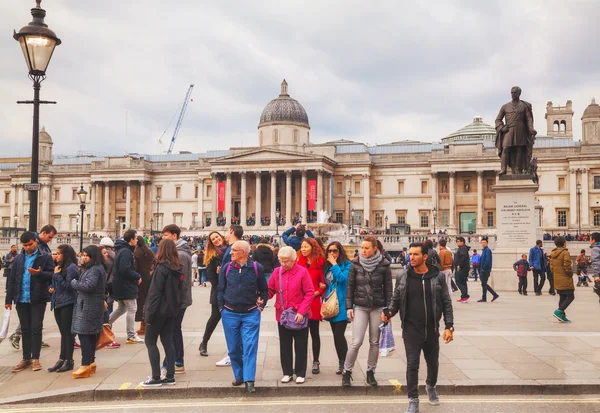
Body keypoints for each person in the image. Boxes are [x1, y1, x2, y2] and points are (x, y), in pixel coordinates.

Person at [383, 242, 454, 413]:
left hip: (431, 328)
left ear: (424, 257)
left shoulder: (437, 277)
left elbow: (446, 301)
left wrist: (449, 326)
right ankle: (413, 399)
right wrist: (390, 312)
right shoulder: (403, 276)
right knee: (412, 364)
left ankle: (431, 386)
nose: (411, 257)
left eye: (416, 254)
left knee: (433, 363)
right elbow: (396, 299)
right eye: (410, 254)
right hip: (411, 329)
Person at [218, 240, 268, 393]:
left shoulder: (256, 268)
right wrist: (221, 308)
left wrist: (261, 305)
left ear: (244, 252)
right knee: (233, 349)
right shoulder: (226, 268)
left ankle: (249, 380)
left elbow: (264, 291)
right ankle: (239, 375)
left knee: (250, 347)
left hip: (250, 313)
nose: (231, 252)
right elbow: (220, 289)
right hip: (229, 313)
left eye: (234, 250)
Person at [343, 236, 392, 387]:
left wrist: (388, 310)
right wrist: (349, 307)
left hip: (378, 307)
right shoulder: (355, 264)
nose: (363, 251)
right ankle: (347, 372)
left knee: (374, 341)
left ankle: (371, 372)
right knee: (356, 341)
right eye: (362, 247)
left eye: (366, 248)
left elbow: (389, 289)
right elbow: (350, 286)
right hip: (360, 306)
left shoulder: (384, 265)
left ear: (374, 248)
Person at [5, 232, 54, 373]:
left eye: (30, 244)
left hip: (37, 298)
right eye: (25, 245)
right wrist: (9, 299)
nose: (28, 248)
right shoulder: (19, 258)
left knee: (36, 328)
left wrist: (39, 274)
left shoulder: (44, 257)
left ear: (35, 241)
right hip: (21, 298)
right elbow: (12, 279)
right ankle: (26, 358)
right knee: (25, 329)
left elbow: (52, 275)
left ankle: (35, 358)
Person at [267, 246, 314, 385]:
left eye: (286, 261)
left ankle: (300, 373)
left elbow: (310, 292)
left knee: (301, 345)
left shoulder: (302, 272)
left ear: (294, 260)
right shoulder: (277, 272)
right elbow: (270, 290)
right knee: (284, 345)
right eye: (281, 261)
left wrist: (302, 311)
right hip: (282, 315)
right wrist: (262, 299)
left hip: (299, 314)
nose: (283, 264)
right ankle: (287, 372)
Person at [140, 239, 184, 387]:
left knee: (150, 341)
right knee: (167, 341)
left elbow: (154, 293)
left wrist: (148, 313)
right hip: (171, 310)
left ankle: (156, 377)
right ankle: (170, 376)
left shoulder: (161, 268)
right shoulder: (178, 268)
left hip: (158, 310)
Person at [161, 224, 192, 374]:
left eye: (166, 235)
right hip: (177, 299)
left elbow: (180, 281)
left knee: (172, 331)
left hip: (178, 300)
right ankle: (174, 361)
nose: (163, 238)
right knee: (173, 330)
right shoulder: (179, 253)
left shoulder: (180, 255)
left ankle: (176, 361)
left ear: (174, 236)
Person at [71, 245, 106, 378]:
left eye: (87, 255)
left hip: (88, 306)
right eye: (83, 255)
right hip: (91, 305)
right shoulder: (95, 268)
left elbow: (88, 286)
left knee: (84, 335)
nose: (84, 258)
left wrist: (74, 283)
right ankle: (91, 363)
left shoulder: (94, 270)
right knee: (91, 335)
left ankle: (85, 365)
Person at [296, 238, 326, 375]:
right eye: (302, 247)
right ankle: (299, 363)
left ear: (312, 247)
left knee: (314, 333)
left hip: (313, 302)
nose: (303, 249)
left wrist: (317, 292)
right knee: (300, 335)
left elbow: (324, 284)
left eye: (306, 246)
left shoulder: (319, 263)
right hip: (300, 302)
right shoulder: (297, 263)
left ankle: (316, 361)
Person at [48, 244, 79, 373]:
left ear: (65, 255)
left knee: (68, 333)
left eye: (58, 253)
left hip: (68, 303)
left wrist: (56, 276)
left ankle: (69, 360)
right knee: (63, 333)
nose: (56, 256)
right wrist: (51, 286)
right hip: (58, 302)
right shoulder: (60, 267)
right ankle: (62, 359)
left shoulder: (71, 268)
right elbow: (57, 284)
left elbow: (69, 286)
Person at [109, 229, 144, 344]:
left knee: (122, 308)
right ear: (131, 239)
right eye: (136, 237)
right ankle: (131, 335)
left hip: (120, 284)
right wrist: (137, 276)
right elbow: (125, 269)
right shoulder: (126, 252)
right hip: (125, 285)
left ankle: (104, 325)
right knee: (132, 308)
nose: (137, 239)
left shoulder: (122, 250)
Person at [323, 241, 351, 375]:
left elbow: (342, 279)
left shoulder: (347, 265)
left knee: (339, 335)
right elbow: (329, 284)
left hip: (342, 305)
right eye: (329, 251)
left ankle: (345, 364)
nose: (332, 253)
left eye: (335, 251)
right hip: (331, 305)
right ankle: (342, 362)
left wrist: (334, 264)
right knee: (336, 336)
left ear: (340, 252)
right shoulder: (327, 267)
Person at [199, 232, 227, 357]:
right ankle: (204, 342)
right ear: (211, 243)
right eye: (213, 239)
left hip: (233, 291)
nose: (216, 240)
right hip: (218, 292)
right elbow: (211, 278)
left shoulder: (231, 250)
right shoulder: (211, 256)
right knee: (214, 318)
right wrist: (219, 274)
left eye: (217, 237)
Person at [550, 236, 574, 323]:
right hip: (565, 278)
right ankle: (559, 311)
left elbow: (551, 267)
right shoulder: (565, 253)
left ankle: (562, 316)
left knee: (562, 297)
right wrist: (570, 274)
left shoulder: (553, 253)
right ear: (564, 243)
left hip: (557, 278)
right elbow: (567, 265)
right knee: (571, 296)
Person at [135, 235, 156, 336]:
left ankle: (143, 326)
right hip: (148, 279)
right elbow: (155, 262)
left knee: (141, 303)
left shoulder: (136, 252)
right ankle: (148, 324)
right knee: (148, 302)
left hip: (140, 280)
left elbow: (135, 267)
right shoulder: (149, 251)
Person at [478, 238, 499, 302]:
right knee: (483, 284)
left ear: (487, 243)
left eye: (484, 242)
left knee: (484, 283)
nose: (483, 243)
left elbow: (487, 261)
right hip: (483, 269)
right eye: (482, 242)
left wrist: (483, 268)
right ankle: (484, 297)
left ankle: (494, 294)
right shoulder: (484, 250)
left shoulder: (487, 250)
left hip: (485, 270)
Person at [453, 237, 470, 303]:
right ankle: (464, 296)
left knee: (459, 281)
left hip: (461, 268)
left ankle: (465, 295)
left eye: (458, 241)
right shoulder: (462, 248)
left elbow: (463, 257)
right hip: (463, 268)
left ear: (462, 242)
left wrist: (459, 265)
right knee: (462, 282)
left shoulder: (463, 248)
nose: (457, 243)